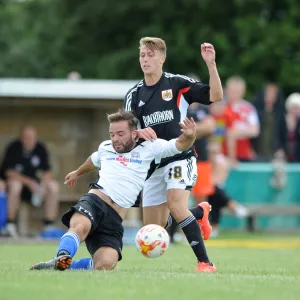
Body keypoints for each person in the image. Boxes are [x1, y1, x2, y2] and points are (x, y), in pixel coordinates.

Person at [30, 109, 202, 271]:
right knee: (79, 226)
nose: (115, 139)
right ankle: (62, 256)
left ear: (134, 134)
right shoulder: (106, 147)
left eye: (120, 134)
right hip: (95, 202)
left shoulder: (151, 147)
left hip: (114, 218)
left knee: (106, 263)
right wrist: (77, 173)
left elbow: (179, 145)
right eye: (112, 134)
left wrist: (190, 135)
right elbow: (93, 160)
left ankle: (67, 266)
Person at [124, 37, 223, 272]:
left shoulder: (177, 84)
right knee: (153, 228)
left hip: (180, 155)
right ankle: (199, 212)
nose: (145, 59)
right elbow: (126, 133)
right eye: (142, 55)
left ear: (162, 58)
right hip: (153, 164)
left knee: (176, 205)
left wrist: (211, 64)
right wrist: (137, 132)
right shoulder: (134, 95)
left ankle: (205, 262)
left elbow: (216, 96)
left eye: (150, 54)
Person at [0, 125, 59, 238]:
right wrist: (29, 182)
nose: (30, 140)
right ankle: (10, 224)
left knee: (53, 186)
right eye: (26, 137)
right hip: (14, 187)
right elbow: (9, 173)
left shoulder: (40, 148)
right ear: (21, 138)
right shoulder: (14, 147)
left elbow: (47, 172)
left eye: (32, 137)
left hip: (35, 188)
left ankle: (48, 224)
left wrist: (42, 185)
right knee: (16, 185)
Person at [206, 140, 248, 237]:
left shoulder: (221, 163)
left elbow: (217, 180)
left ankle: (215, 227)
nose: (212, 155)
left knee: (215, 194)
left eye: (215, 152)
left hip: (214, 192)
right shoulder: (203, 162)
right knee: (216, 194)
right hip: (207, 192)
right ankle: (232, 205)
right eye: (210, 152)